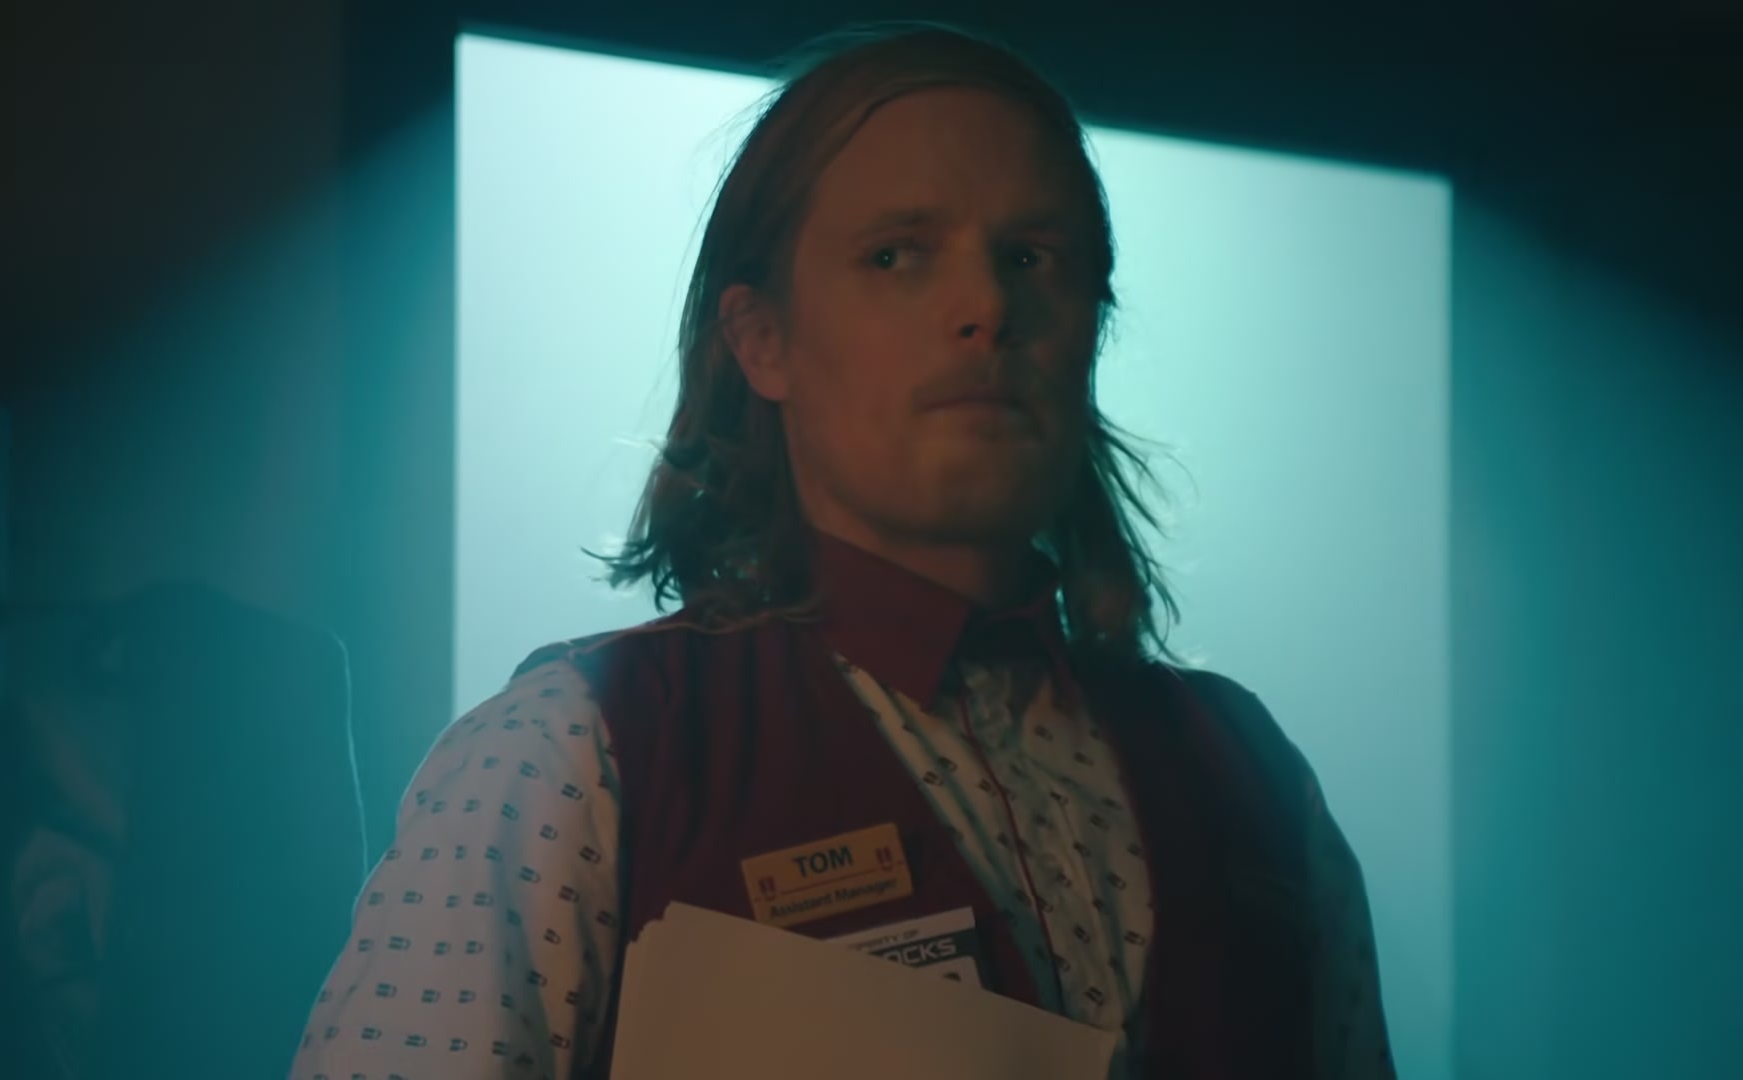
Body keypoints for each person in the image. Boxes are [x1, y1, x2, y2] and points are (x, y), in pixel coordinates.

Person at [291, 20, 1396, 1080]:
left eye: (1032, 255)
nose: (986, 303)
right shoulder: (570, 752)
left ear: (1093, 325)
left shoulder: (1253, 776)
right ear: (761, 340)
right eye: (895, 255)